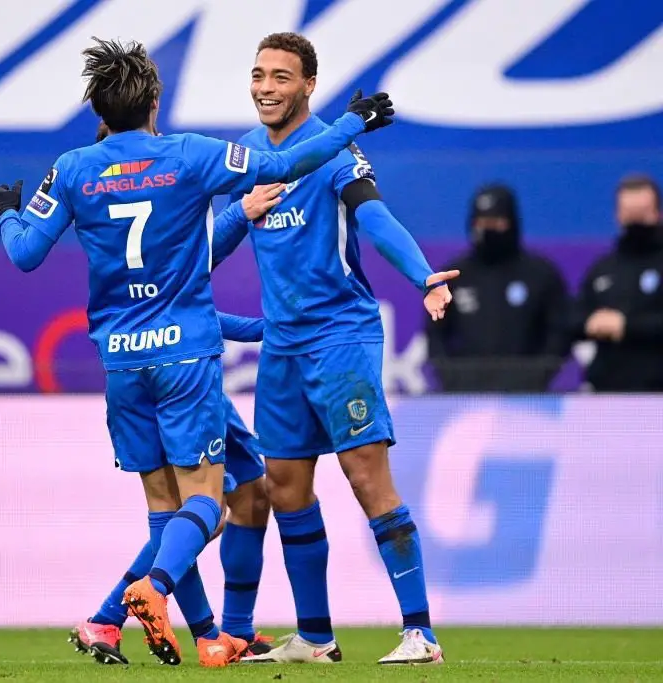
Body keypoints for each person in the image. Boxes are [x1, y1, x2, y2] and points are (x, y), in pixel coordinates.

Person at [0, 37, 394, 666]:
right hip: (185, 361)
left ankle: (200, 633)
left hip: (122, 361)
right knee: (208, 502)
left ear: (97, 107)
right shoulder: (190, 155)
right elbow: (289, 162)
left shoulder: (71, 168)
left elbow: (23, 253)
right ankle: (148, 594)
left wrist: (5, 214)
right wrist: (351, 123)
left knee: (167, 507)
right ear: (153, 102)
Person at [209, 32, 454, 665]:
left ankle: (420, 633)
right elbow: (210, 246)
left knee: (366, 476)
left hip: (341, 335)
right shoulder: (245, 156)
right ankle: (316, 639)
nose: (266, 87)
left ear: (309, 85)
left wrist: (423, 276)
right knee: (285, 487)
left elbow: (374, 216)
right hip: (282, 346)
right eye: (258, 75)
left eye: (281, 77)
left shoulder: (337, 150)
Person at [67, 125, 274, 669]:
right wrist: (240, 213)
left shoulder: (111, 196)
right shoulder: (165, 183)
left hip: (164, 365)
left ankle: (214, 631)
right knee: (203, 510)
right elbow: (196, 275)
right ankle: (187, 628)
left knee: (242, 496)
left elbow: (193, 298)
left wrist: (263, 328)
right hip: (185, 371)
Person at [427, 184, 571, 392]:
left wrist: (537, 377)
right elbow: (435, 334)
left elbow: (558, 333)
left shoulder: (540, 275)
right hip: (466, 396)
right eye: (481, 222)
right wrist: (452, 378)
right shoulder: (455, 277)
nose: (488, 230)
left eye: (496, 222)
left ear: (512, 223)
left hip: (527, 398)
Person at [573, 174, 663, 391]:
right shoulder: (603, 269)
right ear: (618, 215)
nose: (636, 222)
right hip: (608, 393)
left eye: (642, 213)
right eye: (630, 214)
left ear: (657, 213)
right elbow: (574, 315)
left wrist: (626, 325)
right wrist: (591, 321)